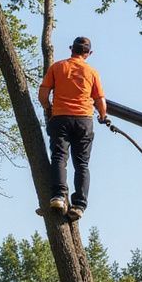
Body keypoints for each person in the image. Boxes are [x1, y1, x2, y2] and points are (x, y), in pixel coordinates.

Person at [38, 36, 108, 220]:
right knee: (82, 164)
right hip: (84, 120)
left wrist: (48, 107)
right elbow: (100, 101)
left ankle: (59, 197)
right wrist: (102, 115)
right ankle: (78, 205)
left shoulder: (57, 67)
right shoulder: (92, 72)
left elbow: (43, 94)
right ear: (89, 53)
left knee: (59, 157)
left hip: (60, 118)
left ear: (71, 49)